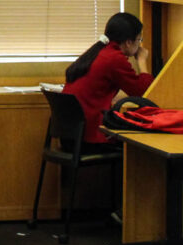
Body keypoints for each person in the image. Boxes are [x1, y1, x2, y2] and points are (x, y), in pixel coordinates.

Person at [62, 12, 154, 148]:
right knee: (139, 146)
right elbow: (143, 92)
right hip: (90, 137)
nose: (140, 45)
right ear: (129, 42)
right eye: (139, 40)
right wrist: (142, 61)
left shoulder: (100, 51)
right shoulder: (114, 58)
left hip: (71, 135)